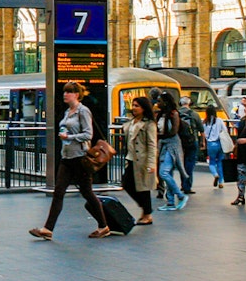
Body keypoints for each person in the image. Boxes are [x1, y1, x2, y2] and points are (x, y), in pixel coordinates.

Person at [29, 82, 109, 240]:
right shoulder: (68, 112)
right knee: (58, 192)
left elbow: (88, 134)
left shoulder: (83, 111)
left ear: (77, 95)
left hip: (80, 158)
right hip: (67, 157)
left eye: (69, 92)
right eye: (65, 91)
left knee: (87, 193)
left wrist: (69, 137)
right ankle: (47, 229)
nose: (65, 94)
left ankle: (103, 226)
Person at [122, 96, 157, 226]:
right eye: (133, 105)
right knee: (127, 184)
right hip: (131, 158)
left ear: (144, 108)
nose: (134, 108)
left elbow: (152, 145)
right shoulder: (131, 122)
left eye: (137, 106)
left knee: (143, 187)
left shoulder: (149, 124)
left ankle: (147, 214)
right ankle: (146, 210)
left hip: (142, 160)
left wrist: (151, 163)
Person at [154, 92, 188, 211]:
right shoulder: (161, 115)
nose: (157, 103)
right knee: (168, 173)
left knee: (163, 173)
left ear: (165, 102)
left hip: (172, 145)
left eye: (159, 101)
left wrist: (158, 135)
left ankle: (180, 195)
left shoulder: (174, 114)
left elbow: (173, 131)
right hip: (164, 145)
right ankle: (170, 202)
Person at [178, 96, 202, 195]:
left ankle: (183, 184)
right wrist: (203, 142)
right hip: (193, 141)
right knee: (190, 164)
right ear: (189, 103)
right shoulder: (195, 114)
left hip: (180, 142)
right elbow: (201, 129)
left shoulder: (177, 114)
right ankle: (188, 185)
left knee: (181, 163)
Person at [203, 106, 227, 188]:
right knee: (220, 163)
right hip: (220, 143)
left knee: (212, 162)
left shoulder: (205, 122)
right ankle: (221, 182)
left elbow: (204, 134)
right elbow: (225, 130)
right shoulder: (219, 120)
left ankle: (215, 174)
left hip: (211, 144)